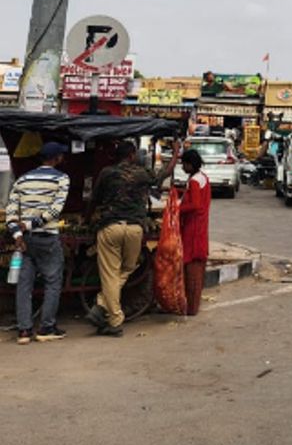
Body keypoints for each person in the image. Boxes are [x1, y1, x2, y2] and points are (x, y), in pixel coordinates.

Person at [87, 139, 180, 336]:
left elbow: (93, 200)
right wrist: (176, 152)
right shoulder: (142, 173)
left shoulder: (106, 173)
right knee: (129, 267)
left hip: (110, 227)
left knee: (110, 274)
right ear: (131, 155)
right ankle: (105, 309)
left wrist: (87, 220)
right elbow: (166, 172)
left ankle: (110, 314)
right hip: (135, 229)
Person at [5, 142, 71, 344]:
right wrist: (28, 224)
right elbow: (54, 211)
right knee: (53, 281)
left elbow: (10, 212)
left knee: (24, 284)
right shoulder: (62, 179)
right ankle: (46, 328)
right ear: (57, 158)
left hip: (25, 241)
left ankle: (24, 331)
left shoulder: (23, 179)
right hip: (47, 238)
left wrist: (18, 234)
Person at [178, 148, 211, 315]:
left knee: (191, 265)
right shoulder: (202, 177)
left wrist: (176, 208)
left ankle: (190, 306)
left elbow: (195, 205)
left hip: (193, 227)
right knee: (196, 265)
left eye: (184, 164)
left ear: (190, 164)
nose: (182, 167)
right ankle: (192, 305)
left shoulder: (194, 181)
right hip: (200, 226)